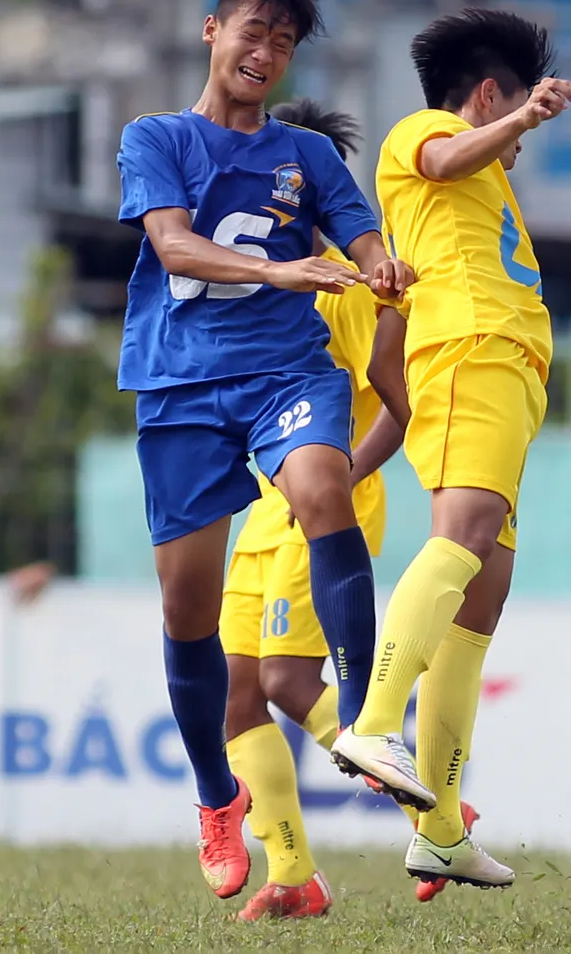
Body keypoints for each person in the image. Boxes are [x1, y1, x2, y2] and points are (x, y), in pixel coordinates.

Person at [116, 0, 413, 901]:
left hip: (286, 371)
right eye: (254, 30)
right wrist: (283, 270)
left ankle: (366, 717)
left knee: (325, 485)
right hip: (180, 384)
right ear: (213, 31)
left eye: (284, 41)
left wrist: (379, 262)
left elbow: (360, 232)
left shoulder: (309, 155)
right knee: (186, 610)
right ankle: (217, 794)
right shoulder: (155, 136)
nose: (267, 50)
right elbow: (172, 245)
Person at [331, 9, 571, 889]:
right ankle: (372, 723)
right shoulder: (424, 131)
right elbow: (445, 157)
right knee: (465, 540)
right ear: (484, 95)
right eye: (511, 113)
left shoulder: (482, 185)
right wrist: (522, 120)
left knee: (482, 599)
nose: (519, 142)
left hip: (505, 372)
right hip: (472, 354)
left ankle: (440, 827)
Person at [220, 98, 399, 921]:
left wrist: (341, 476)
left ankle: (431, 810)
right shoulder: (261, 284)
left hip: (323, 512)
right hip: (264, 514)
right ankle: (294, 874)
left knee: (289, 680)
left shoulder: (347, 288)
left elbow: (397, 405)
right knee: (235, 692)